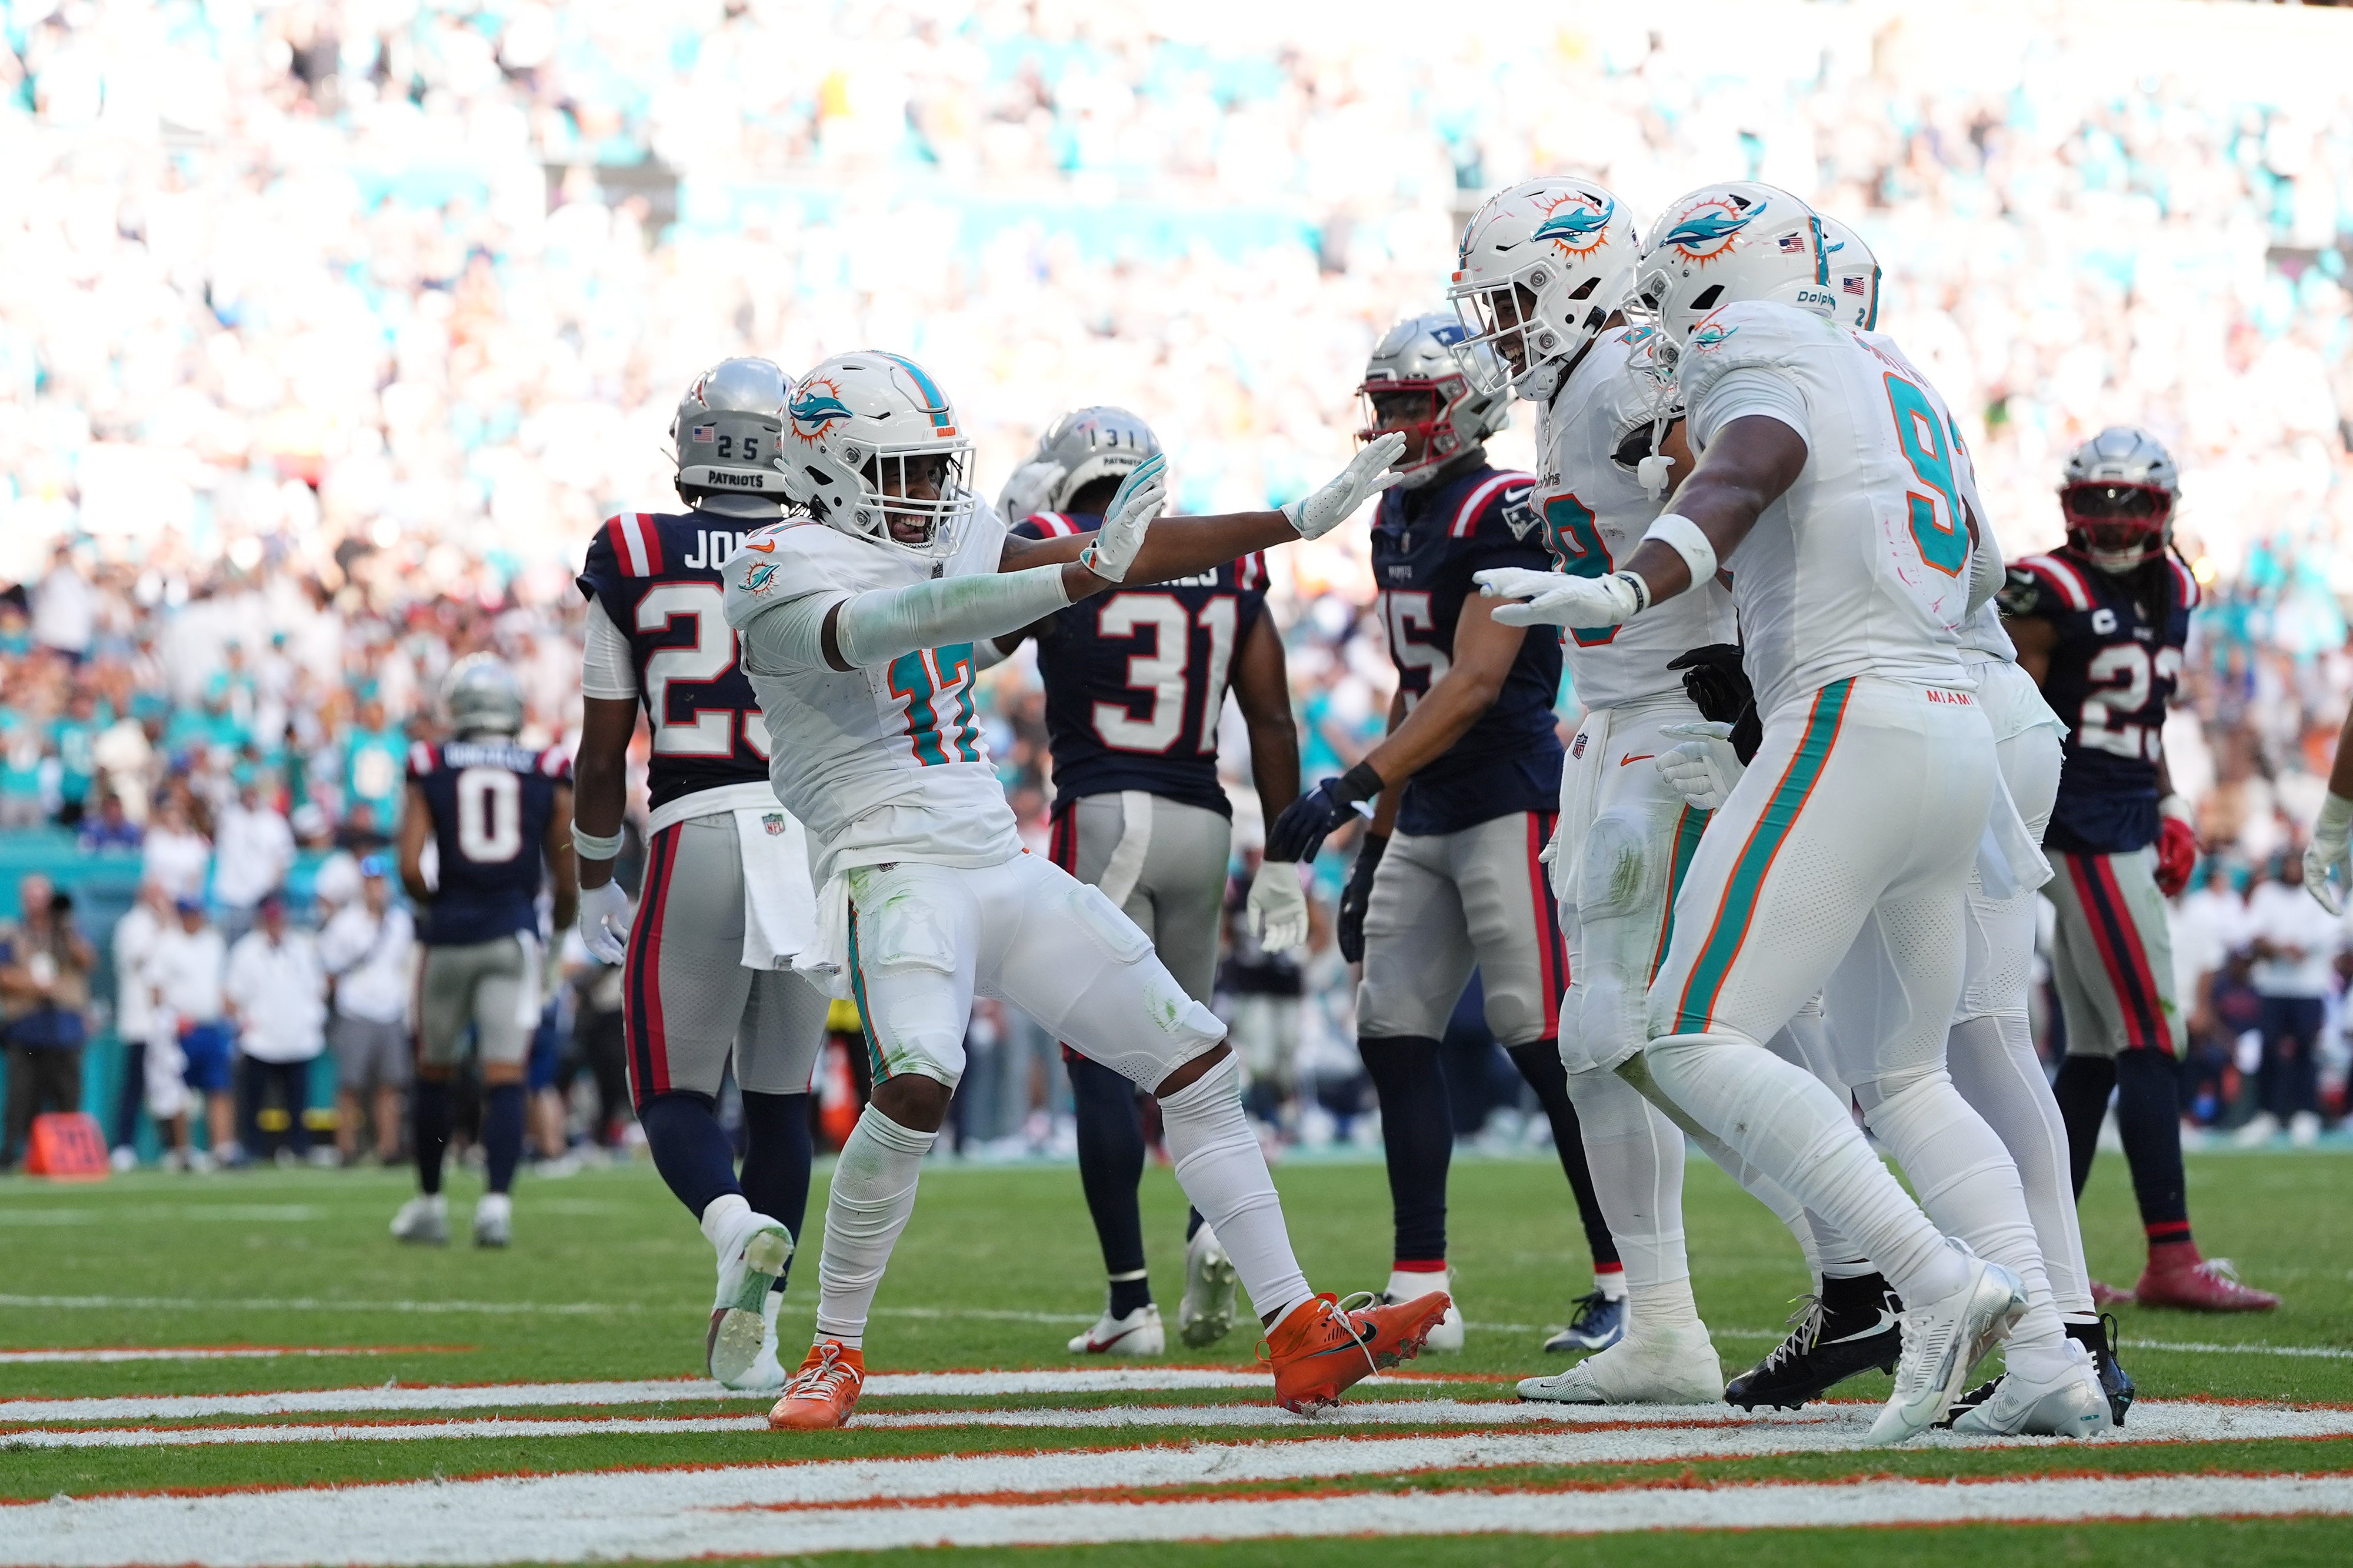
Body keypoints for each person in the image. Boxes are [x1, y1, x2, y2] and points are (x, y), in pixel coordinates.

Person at [1483, 180, 2105, 1442]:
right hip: (1949, 722)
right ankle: (2048, 1359)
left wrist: (1630, 587)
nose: (1656, 329)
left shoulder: (1753, 347)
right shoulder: (1895, 367)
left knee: (1682, 1033)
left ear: (1720, 288)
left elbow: (1744, 469)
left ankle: (1923, 1286)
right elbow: (1980, 565)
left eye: (1669, 297)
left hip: (1848, 717)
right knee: (1910, 1073)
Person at [722, 349, 1447, 1428]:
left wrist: (1291, 521)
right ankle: (832, 1348)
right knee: (918, 1079)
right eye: (901, 470)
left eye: (933, 469)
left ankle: (1295, 1325)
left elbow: (1130, 552)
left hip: (995, 859)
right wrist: (1078, 573)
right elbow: (883, 629)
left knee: (1197, 1058)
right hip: (892, 865)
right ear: (828, 468)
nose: (926, 493)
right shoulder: (773, 563)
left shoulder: (953, 527)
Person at [1263, 306, 1620, 1356]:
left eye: (1414, 405)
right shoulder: (1393, 516)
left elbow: (1472, 685)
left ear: (1468, 406)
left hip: (1511, 795)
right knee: (1392, 1032)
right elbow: (1414, 689)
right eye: (1384, 405)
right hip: (1426, 807)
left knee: (1546, 1044)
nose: (1394, 425)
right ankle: (1422, 1286)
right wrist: (1376, 829)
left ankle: (1626, 1279)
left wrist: (1349, 788)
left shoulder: (1504, 507)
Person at [992, 404, 1309, 1359]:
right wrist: (1288, 853)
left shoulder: (1057, 544)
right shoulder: (1226, 558)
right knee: (1189, 1059)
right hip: (1203, 818)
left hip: (1105, 808)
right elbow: (1275, 720)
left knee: (1099, 1052)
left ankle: (1131, 1300)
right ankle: (1208, 1232)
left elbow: (981, 643)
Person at [572, 358, 834, 1390]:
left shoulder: (635, 546)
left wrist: (597, 873)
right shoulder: (829, 544)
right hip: (809, 829)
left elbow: (601, 752)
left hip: (696, 823)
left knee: (669, 1086)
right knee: (781, 1097)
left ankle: (732, 1230)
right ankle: (762, 1339)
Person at [2002, 427, 2278, 1311]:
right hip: (2077, 820)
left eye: (2134, 505)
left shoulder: (2179, 586)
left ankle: (2046, 1254)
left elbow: (2145, 720)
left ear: (2164, 510)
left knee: (2093, 1055)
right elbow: (2009, 716)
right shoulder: (2045, 590)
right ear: (2070, 507)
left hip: (2126, 810)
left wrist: (2169, 805)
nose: (2116, 524)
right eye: (2100, 504)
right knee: (2154, 1035)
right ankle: (2171, 1254)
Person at [389, 655, 578, 1248]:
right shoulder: (545, 764)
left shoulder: (429, 760)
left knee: (434, 1071)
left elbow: (408, 864)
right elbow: (567, 873)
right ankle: (495, 1203)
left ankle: (429, 1201)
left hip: (447, 934)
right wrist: (560, 927)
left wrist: (434, 903)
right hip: (512, 932)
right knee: (506, 1075)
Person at [319, 856, 415, 1165]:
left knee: (390, 1086)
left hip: (390, 1008)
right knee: (350, 1085)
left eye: (380, 881)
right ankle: (346, 1149)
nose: (376, 887)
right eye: (371, 881)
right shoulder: (346, 923)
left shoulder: (400, 922)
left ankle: (388, 1149)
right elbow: (331, 967)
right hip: (356, 1010)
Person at [2236, 856, 2336, 1147]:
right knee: (2268, 1048)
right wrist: (2280, 948)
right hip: (2273, 986)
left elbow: (2330, 931)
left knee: (2306, 1047)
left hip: (2309, 986)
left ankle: (2306, 1113)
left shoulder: (2321, 891)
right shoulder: (2267, 893)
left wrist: (2300, 946)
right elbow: (2253, 932)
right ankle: (2267, 1114)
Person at [1, 875, 96, 1172]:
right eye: (34, 897)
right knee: (21, 1098)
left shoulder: (67, 933)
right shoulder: (13, 933)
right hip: (27, 1026)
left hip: (64, 1028)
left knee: (68, 1096)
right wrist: (34, 985)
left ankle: (71, 1155)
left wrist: (65, 929)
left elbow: (88, 961)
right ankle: (13, 1153)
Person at [224, 892, 328, 1163]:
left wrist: (311, 1018)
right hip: (260, 1040)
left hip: (297, 1038)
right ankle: (253, 1148)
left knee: (297, 1101)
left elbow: (318, 988)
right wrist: (244, 1024)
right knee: (254, 1101)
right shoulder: (246, 951)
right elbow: (232, 996)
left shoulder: (303, 948)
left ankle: (298, 1148)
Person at [146, 896, 234, 1169]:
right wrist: (169, 1020)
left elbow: (222, 986)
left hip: (211, 1025)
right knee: (179, 1092)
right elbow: (156, 991)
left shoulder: (214, 943)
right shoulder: (167, 944)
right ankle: (182, 1151)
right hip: (182, 1029)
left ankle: (222, 1149)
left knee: (219, 1089)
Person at [108, 878, 174, 1168]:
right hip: (140, 1019)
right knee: (135, 1085)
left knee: (169, 1088)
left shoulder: (171, 925)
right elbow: (136, 959)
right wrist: (163, 928)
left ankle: (173, 1146)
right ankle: (124, 1145)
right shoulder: (132, 925)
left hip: (167, 1019)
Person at [212, 775, 297, 945]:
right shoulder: (229, 818)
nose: (251, 797)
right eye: (248, 792)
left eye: (255, 792)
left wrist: (271, 891)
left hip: (263, 897)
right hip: (233, 897)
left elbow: (284, 860)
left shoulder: (275, 822)